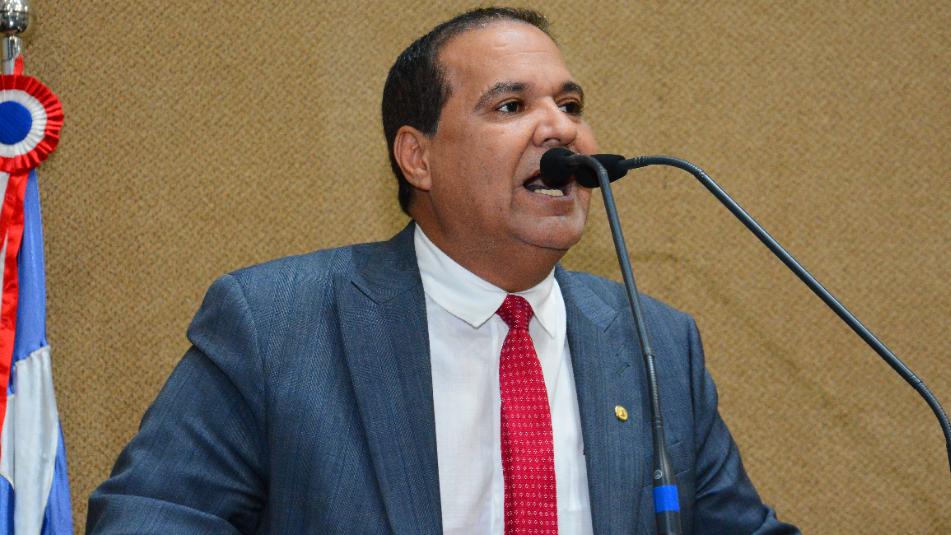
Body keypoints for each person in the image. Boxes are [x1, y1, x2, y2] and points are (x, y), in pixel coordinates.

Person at [87, 7, 799, 534]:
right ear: (417, 157)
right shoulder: (277, 323)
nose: (561, 128)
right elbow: (148, 517)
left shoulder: (657, 342)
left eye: (570, 105)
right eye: (511, 105)